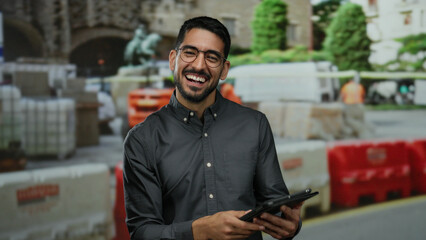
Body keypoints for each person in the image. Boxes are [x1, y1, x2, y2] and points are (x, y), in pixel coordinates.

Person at [123, 16, 302, 240]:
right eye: (190, 53)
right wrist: (198, 231)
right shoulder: (142, 139)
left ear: (224, 69)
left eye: (212, 57)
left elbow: (274, 204)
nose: (199, 65)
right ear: (173, 59)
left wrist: (289, 224)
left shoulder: (255, 125)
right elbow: (141, 232)